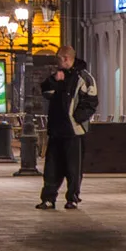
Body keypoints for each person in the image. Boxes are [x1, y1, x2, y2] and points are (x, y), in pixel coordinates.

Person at [37, 45, 98, 210]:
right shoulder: (58, 76)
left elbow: (91, 101)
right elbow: (45, 90)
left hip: (74, 131)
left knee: (73, 168)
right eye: (59, 58)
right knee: (52, 167)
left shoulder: (84, 78)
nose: (59, 61)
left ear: (68, 58)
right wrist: (53, 80)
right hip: (56, 130)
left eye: (61, 58)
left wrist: (77, 118)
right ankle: (48, 198)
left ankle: (72, 198)